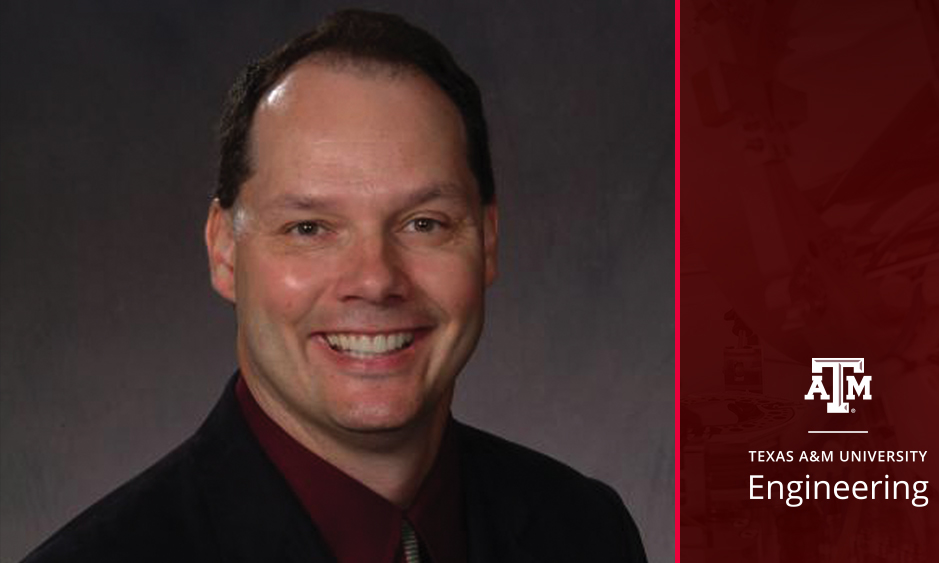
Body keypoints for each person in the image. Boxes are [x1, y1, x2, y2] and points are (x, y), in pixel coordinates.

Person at [22, 9, 647, 563]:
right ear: (223, 251)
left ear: (486, 242)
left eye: (424, 223)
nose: (375, 279)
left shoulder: (587, 531)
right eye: (310, 227)